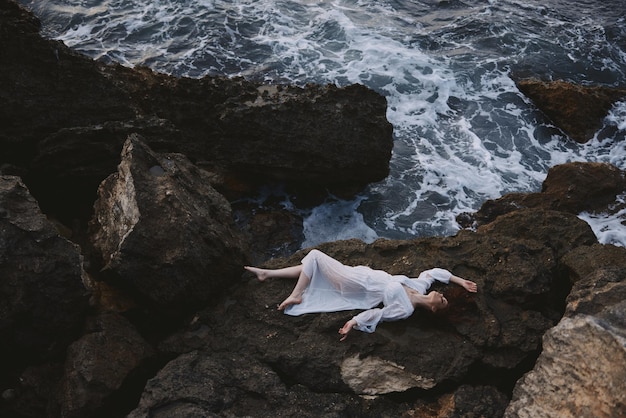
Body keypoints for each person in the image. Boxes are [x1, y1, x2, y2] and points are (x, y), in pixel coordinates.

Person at [245, 249, 478, 341]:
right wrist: (460, 281)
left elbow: (378, 314)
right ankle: (267, 273)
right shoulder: (420, 287)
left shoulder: (405, 309)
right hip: (361, 275)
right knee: (314, 268)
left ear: (435, 308)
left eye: (443, 299)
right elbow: (434, 273)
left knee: (315, 257)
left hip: (356, 285)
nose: (441, 294)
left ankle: (296, 295)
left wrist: (352, 323)